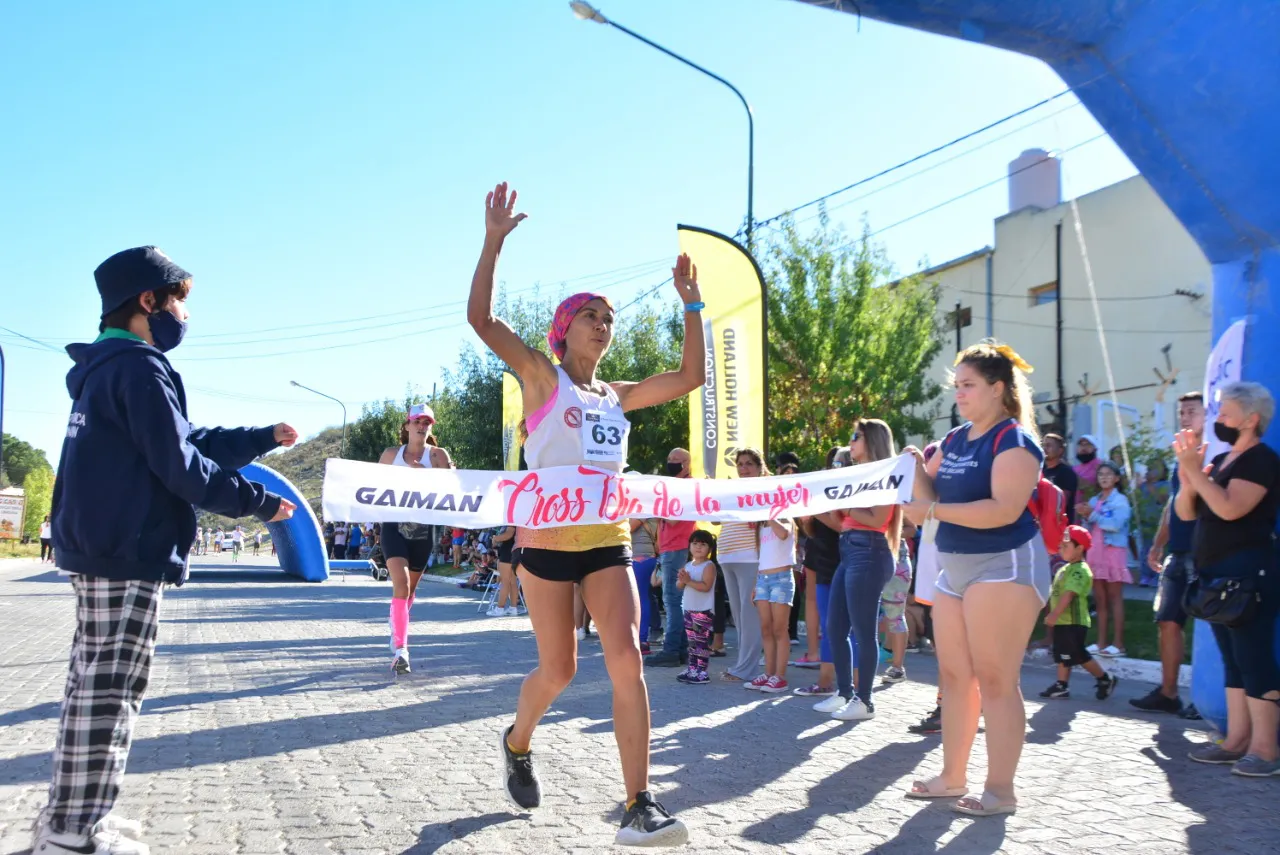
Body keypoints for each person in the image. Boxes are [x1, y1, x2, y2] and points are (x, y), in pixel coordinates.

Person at [33, 246, 298, 855]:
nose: (185, 315)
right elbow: (179, 463)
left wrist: (258, 439)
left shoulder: (109, 366)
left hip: (104, 546)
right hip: (125, 549)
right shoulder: (139, 366)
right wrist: (258, 503)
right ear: (148, 301)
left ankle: (72, 820)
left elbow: (183, 438)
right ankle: (72, 835)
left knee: (91, 688)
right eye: (179, 301)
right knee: (109, 693)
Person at [468, 182, 702, 844]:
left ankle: (638, 803)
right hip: (546, 543)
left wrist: (692, 304)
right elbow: (482, 321)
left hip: (608, 539)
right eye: (591, 314)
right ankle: (517, 741)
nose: (603, 323)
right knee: (560, 669)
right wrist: (493, 241)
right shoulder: (543, 378)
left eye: (609, 317)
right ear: (564, 328)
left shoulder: (617, 396)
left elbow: (689, 378)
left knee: (626, 657)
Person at [902, 341, 1049, 817]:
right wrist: (914, 469)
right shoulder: (956, 438)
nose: (959, 394)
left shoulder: (1015, 441)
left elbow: (1003, 509)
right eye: (957, 386)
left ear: (997, 388)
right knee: (954, 676)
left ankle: (1001, 792)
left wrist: (933, 511)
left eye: (968, 385)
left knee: (996, 679)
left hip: (1006, 565)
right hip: (956, 568)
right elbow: (928, 493)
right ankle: (952, 777)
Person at [1176, 381, 1280, 776]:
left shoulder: (1261, 460)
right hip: (1216, 575)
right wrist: (1189, 479)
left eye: (1225, 413)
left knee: (1254, 658)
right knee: (1233, 661)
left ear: (1250, 420)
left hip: (1249, 573)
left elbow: (1231, 508)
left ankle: (1265, 750)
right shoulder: (1220, 461)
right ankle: (1236, 741)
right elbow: (1187, 513)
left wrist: (1194, 472)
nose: (1217, 419)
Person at [822, 419, 901, 722]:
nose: (851, 442)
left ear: (873, 441)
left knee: (863, 632)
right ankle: (845, 692)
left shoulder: (885, 475)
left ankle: (864, 701)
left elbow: (878, 518)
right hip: (851, 550)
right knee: (835, 628)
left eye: (856, 437)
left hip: (869, 551)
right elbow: (843, 522)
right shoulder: (856, 475)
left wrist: (844, 503)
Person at [1134, 391, 1206, 716]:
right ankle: (1168, 693)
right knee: (1167, 621)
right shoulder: (1181, 456)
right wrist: (1158, 543)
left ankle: (1207, 698)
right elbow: (1173, 504)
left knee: (1211, 624)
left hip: (1205, 551)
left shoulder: (1215, 452)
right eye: (1182, 412)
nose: (1185, 417)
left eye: (1192, 411)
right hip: (1177, 551)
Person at [379, 403, 453, 674]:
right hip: (394, 525)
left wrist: (429, 477)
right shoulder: (390, 455)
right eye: (417, 421)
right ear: (407, 425)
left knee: (410, 591)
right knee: (402, 584)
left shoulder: (438, 455)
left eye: (427, 422)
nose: (422, 426)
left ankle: (396, 626)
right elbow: (371, 486)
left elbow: (454, 490)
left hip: (425, 528)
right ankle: (401, 649)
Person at [1038, 526, 1119, 701]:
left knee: (1077, 654)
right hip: (1063, 621)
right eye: (1060, 546)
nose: (1061, 549)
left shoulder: (1080, 570)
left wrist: (1054, 614)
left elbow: (1069, 594)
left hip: (1073, 622)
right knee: (1063, 654)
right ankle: (1061, 685)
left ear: (1080, 548)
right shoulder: (1065, 568)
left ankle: (1104, 679)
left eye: (1066, 546)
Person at [717, 451, 767, 683]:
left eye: (748, 464)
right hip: (727, 557)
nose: (743, 468)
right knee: (738, 616)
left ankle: (747, 669)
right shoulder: (732, 490)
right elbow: (715, 518)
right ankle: (742, 664)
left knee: (749, 616)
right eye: (740, 464)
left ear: (759, 467)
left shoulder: (764, 490)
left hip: (750, 558)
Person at [648, 449, 698, 668]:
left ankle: (671, 650)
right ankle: (681, 649)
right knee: (676, 600)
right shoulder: (676, 486)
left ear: (687, 463)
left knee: (672, 600)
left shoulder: (686, 487)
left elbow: (673, 518)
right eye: (669, 459)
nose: (671, 463)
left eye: (675, 460)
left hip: (678, 547)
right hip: (672, 548)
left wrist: (655, 505)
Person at [746, 483, 797, 695]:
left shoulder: (786, 519)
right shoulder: (761, 526)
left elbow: (784, 534)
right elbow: (762, 556)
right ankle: (768, 673)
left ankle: (780, 676)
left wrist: (770, 515)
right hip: (763, 580)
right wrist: (756, 584)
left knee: (779, 629)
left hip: (782, 579)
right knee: (766, 628)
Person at [1077, 461, 1131, 657]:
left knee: (1114, 597)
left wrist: (1092, 515)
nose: (1104, 477)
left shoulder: (1120, 500)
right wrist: (1084, 515)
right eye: (1101, 474)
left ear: (1116, 478)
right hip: (1095, 551)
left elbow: (1115, 525)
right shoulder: (1094, 500)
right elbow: (1090, 525)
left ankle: (1118, 644)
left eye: (1109, 474)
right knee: (1099, 599)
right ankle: (1100, 642)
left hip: (1113, 551)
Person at [676, 530, 719, 686]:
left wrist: (688, 581)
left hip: (703, 610)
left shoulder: (709, 566)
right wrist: (682, 579)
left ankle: (702, 671)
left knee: (701, 641)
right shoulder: (688, 565)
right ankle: (692, 668)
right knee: (691, 641)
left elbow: (706, 587)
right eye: (695, 543)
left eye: (703, 544)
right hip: (688, 608)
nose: (698, 547)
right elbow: (679, 586)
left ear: (710, 548)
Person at [880, 524, 914, 684]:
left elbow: (911, 529)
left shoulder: (898, 505)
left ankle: (898, 668)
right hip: (867, 558)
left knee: (896, 616)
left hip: (896, 561)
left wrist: (889, 533)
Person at [630, 518, 660, 654]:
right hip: (647, 556)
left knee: (639, 599)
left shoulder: (640, 510)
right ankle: (642, 637)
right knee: (644, 597)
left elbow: (628, 527)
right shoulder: (653, 511)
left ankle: (641, 639)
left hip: (640, 557)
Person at [1041, 433, 1079, 526]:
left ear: (1060, 450)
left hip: (1059, 526)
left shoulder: (1066, 472)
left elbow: (1062, 501)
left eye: (1049, 445)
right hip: (1042, 524)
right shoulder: (1040, 470)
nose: (1044, 449)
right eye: (1043, 445)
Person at [488, 525, 521, 617]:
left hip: (507, 553)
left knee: (505, 581)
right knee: (512, 582)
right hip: (514, 551)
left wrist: (495, 538)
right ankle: (513, 608)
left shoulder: (512, 521)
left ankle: (500, 608)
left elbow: (508, 534)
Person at [1074, 434, 1102, 501]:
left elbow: (1091, 488)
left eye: (1087, 444)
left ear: (1095, 448)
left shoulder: (1100, 465)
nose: (1083, 448)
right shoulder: (1075, 468)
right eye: (1081, 445)